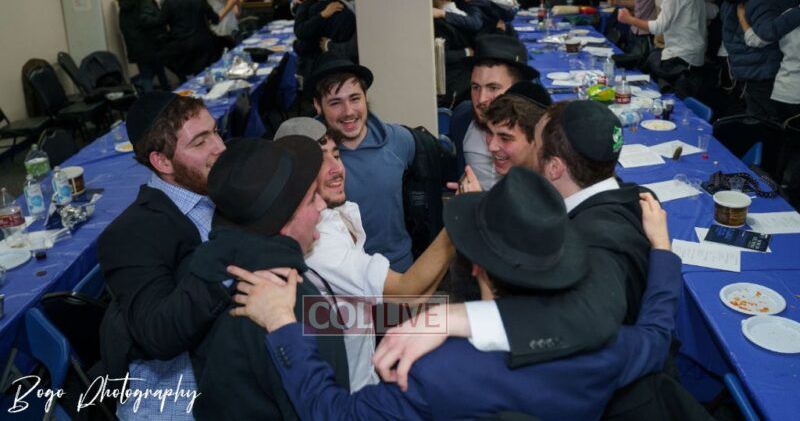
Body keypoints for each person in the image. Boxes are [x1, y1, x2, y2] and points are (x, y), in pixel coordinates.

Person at [227, 169, 681, 421]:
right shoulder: (608, 345)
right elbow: (658, 336)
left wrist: (282, 324)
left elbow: (332, 414)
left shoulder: (431, 369)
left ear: (477, 266)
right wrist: (661, 250)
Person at [376, 100, 653, 374]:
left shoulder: (597, 237)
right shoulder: (622, 198)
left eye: (536, 144)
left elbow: (590, 321)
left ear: (554, 167)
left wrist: (458, 318)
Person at [272, 117, 455, 391]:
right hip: (347, 394)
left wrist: (436, 318)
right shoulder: (318, 243)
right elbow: (407, 291)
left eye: (336, 155)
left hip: (366, 375)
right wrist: (457, 222)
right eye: (320, 160)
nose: (336, 169)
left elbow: (349, 313)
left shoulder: (337, 215)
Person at [189, 136, 350, 419]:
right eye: (312, 197)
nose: (322, 205)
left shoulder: (208, 275)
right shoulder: (298, 306)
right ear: (284, 222)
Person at [96, 92, 228, 419]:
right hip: (178, 395)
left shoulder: (220, 187)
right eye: (200, 142)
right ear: (162, 162)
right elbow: (159, 334)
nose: (220, 147)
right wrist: (234, 250)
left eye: (215, 131)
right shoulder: (132, 234)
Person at [309, 56, 415, 272]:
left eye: (355, 98)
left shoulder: (400, 141)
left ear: (366, 98)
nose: (348, 111)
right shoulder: (306, 152)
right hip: (342, 275)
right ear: (318, 106)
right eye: (335, 103)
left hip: (400, 267)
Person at [722, 0, 799, 119]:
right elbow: (766, 34)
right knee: (764, 122)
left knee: (754, 118)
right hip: (762, 69)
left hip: (742, 65)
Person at [618, 0, 707, 98]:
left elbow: (658, 27)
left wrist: (628, 19)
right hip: (690, 55)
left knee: (670, 99)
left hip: (681, 57)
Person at [461, 35, 540, 191]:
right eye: (476, 87)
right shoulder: (475, 144)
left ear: (517, 90)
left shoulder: (538, 127)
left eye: (493, 88)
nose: (481, 99)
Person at [160, 0, 219, 79]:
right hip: (202, 44)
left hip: (181, 47)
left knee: (185, 77)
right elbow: (215, 18)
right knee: (204, 76)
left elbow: (161, 23)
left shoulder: (168, 3)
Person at [115, 0, 170, 91]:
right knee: (159, 72)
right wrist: (162, 20)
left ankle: (150, 100)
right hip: (150, 45)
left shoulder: (124, 4)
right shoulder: (143, 1)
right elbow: (150, 21)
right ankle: (169, 96)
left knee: (145, 75)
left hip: (135, 47)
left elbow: (123, 26)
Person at [430, 0, 475, 103]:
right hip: (467, 80)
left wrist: (465, 52)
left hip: (451, 84)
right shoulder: (464, 15)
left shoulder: (439, 23)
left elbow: (442, 55)